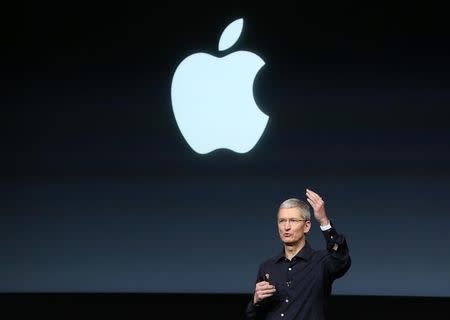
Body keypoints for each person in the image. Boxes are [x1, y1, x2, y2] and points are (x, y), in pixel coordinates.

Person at [245, 188, 351, 320]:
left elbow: (341, 258)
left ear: (307, 226)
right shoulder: (267, 267)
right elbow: (255, 317)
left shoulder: (321, 262)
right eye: (282, 221)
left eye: (293, 220)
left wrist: (323, 220)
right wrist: (255, 302)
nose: (286, 227)